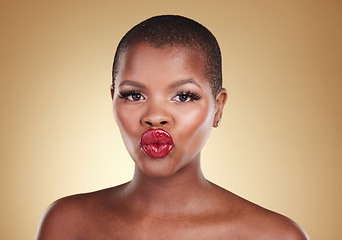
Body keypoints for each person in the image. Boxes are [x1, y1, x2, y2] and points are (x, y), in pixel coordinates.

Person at [36, 15, 309, 240]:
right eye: (134, 95)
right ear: (113, 101)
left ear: (219, 107)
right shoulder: (67, 224)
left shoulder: (275, 236)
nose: (155, 117)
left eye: (183, 96)